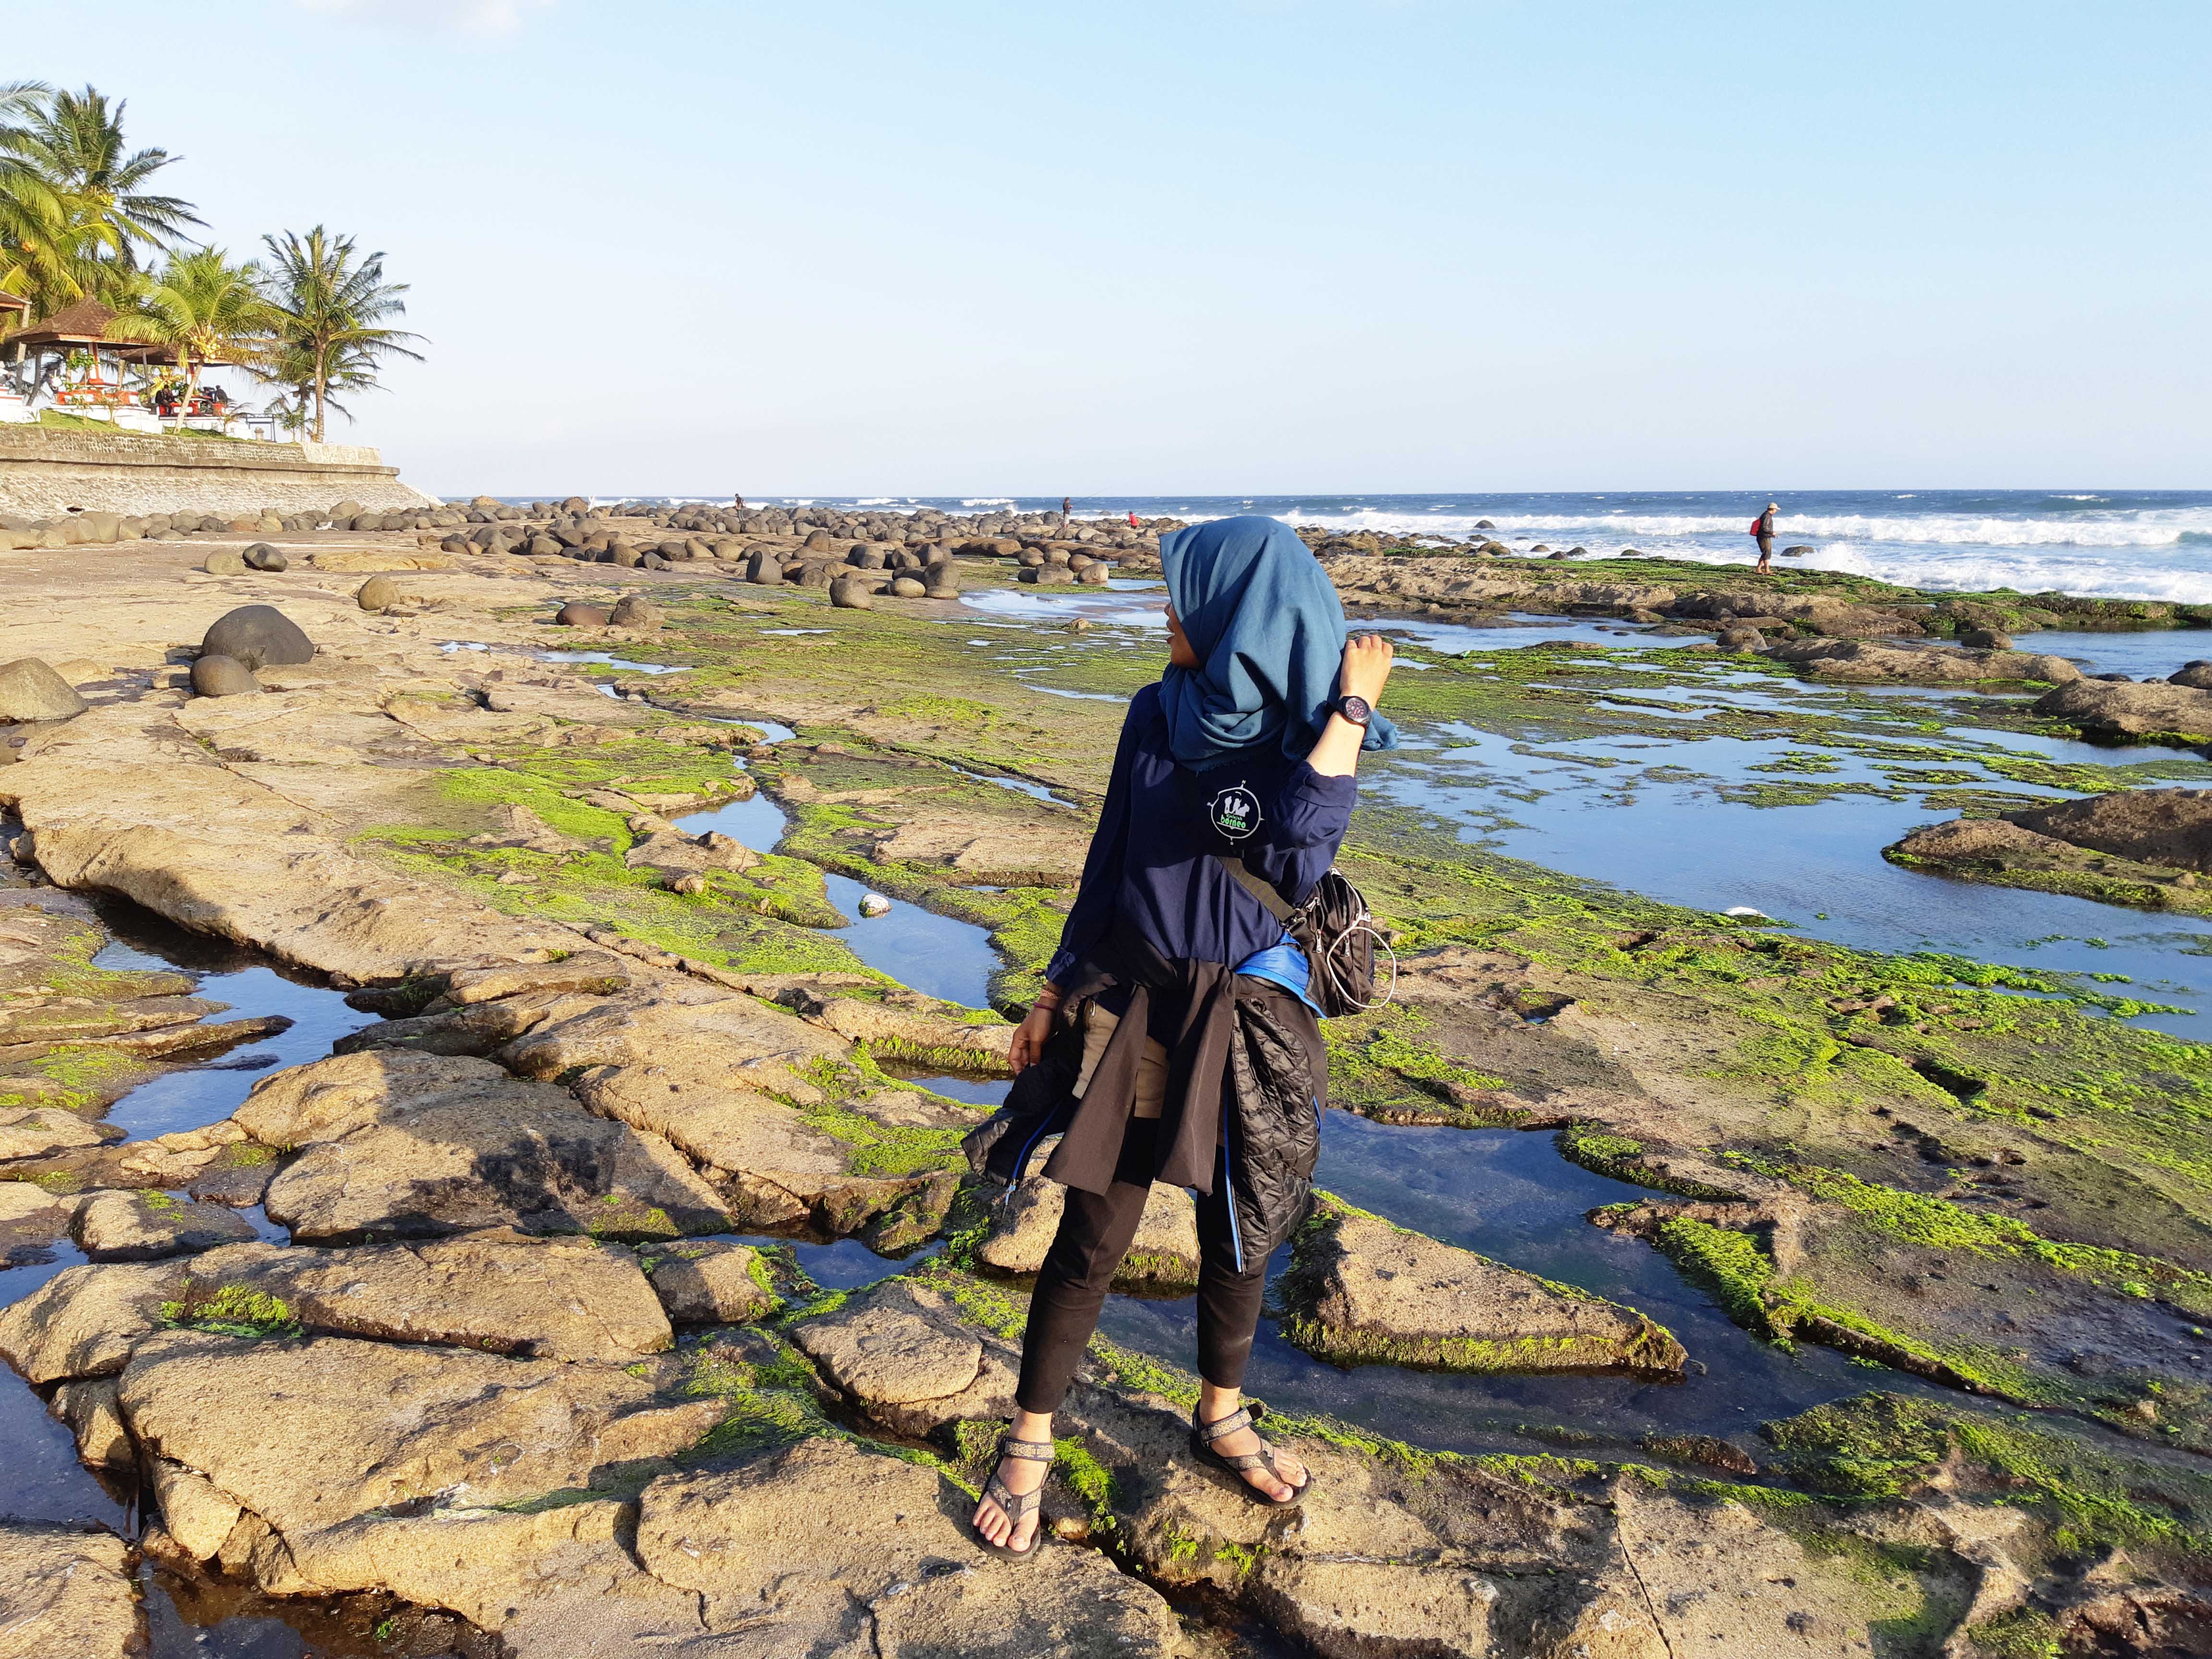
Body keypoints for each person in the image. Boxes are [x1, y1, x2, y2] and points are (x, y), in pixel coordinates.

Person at [965, 516, 1399, 1560]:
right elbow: (1109, 859)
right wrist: (1051, 991)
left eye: (1182, 599)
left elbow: (1295, 851)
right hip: (1141, 1005)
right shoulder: (1154, 711)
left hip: (1254, 1014)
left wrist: (1349, 713)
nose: (1165, 611)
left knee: (1241, 1230)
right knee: (1092, 1232)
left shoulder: (1313, 734)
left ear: (1239, 617)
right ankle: (1029, 1436)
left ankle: (1221, 1414)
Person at [1751, 501, 1778, 574]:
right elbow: (1764, 528)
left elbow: (1764, 529)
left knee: (1766, 553)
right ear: (1772, 509)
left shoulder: (1767, 515)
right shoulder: (1767, 516)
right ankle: (1767, 570)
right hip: (1763, 538)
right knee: (1767, 553)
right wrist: (1772, 533)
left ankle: (1758, 569)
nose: (1776, 511)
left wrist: (1772, 535)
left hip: (1763, 537)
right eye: (1776, 509)